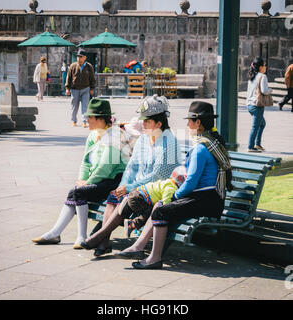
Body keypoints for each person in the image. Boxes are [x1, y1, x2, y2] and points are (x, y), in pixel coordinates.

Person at [116, 101, 233, 269]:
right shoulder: (208, 142)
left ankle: (154, 258)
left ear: (197, 122)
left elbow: (191, 182)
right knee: (160, 206)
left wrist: (174, 196)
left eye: (189, 121)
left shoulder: (201, 148)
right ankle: (138, 247)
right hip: (208, 199)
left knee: (162, 211)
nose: (187, 125)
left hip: (207, 201)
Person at [80, 94, 182, 256]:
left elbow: (157, 177)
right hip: (139, 188)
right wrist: (123, 185)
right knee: (114, 196)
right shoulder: (143, 139)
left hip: (157, 192)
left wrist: (130, 187)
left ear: (159, 123)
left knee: (127, 197)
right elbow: (132, 167)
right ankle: (104, 243)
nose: (143, 123)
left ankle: (99, 236)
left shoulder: (169, 142)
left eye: (147, 121)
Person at [32, 98, 133, 249]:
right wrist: (82, 179)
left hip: (113, 181)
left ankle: (79, 236)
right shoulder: (94, 135)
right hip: (99, 179)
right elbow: (86, 161)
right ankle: (56, 233)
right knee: (75, 191)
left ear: (100, 119)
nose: (86, 120)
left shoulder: (115, 136)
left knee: (78, 192)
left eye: (89, 117)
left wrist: (88, 182)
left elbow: (106, 167)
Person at [120, 165, 186, 238]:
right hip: (139, 199)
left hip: (137, 192)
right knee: (150, 214)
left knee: (147, 208)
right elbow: (165, 204)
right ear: (181, 179)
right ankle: (132, 224)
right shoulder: (171, 188)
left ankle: (127, 201)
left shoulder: (167, 182)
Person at [246, 57, 272, 153]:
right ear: (260, 67)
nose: (265, 67)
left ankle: (257, 144)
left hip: (249, 105)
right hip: (257, 105)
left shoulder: (252, 76)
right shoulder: (262, 76)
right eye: (264, 65)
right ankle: (250, 146)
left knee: (262, 124)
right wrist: (270, 90)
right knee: (255, 126)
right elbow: (264, 91)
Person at [65, 49, 95, 128]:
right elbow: (69, 77)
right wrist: (67, 88)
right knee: (74, 106)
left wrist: (92, 88)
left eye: (80, 57)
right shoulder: (73, 66)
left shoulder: (89, 66)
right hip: (74, 89)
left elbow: (92, 78)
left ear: (84, 57)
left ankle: (84, 121)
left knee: (85, 105)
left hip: (86, 89)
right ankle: (74, 120)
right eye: (77, 57)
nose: (78, 58)